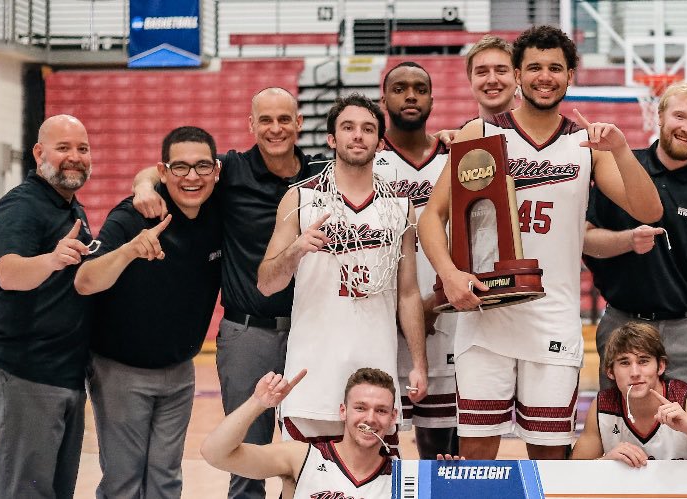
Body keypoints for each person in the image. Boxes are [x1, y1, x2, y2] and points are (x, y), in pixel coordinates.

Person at [418, 25, 663, 460]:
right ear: (516, 74)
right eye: (533, 67)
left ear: (571, 75)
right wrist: (451, 275)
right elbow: (432, 218)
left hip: (553, 318)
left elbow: (649, 212)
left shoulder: (586, 144)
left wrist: (622, 151)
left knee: (550, 458)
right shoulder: (480, 133)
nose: (544, 76)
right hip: (486, 318)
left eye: (555, 68)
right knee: (476, 456)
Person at [131, 87, 324, 499]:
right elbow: (162, 169)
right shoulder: (231, 170)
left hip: (313, 335)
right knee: (245, 457)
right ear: (251, 125)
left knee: (314, 456)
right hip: (248, 335)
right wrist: (144, 186)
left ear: (299, 123)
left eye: (284, 119)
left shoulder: (320, 174)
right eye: (266, 121)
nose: (276, 129)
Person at [257, 93, 428, 442]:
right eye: (348, 127)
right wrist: (296, 249)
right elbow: (266, 283)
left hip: (375, 367)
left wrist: (419, 364)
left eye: (367, 129)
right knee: (301, 484)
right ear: (332, 139)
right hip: (313, 369)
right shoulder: (300, 199)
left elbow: (408, 293)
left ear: (380, 142)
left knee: (376, 485)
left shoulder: (400, 207)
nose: (357, 136)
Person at [74, 126, 224, 499]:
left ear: (216, 171)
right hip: (121, 371)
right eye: (181, 168)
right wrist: (127, 251)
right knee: (123, 482)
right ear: (164, 171)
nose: (192, 177)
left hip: (179, 372)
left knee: (165, 481)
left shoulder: (221, 210)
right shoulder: (133, 215)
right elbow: (85, 281)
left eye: (202, 166)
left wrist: (143, 180)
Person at [583, 81, 687, 409]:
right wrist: (627, 241)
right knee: (619, 429)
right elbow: (585, 240)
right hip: (624, 322)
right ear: (659, 116)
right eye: (680, 116)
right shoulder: (617, 167)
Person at [0, 114, 96, 499]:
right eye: (64, 148)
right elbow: (9, 272)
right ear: (39, 152)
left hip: (65, 375)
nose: (75, 157)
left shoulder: (71, 209)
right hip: (26, 372)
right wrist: (51, 259)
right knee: (25, 492)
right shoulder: (20, 207)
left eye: (82, 148)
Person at [376, 61, 459, 458]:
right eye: (400, 88)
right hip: (383, 321)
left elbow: (474, 239)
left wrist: (436, 301)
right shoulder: (365, 162)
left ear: (432, 98)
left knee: (442, 446)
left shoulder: (457, 156)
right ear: (384, 99)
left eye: (420, 89)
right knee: (383, 444)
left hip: (449, 313)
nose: (411, 95)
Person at [201, 368, 395, 499]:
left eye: (381, 410)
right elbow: (215, 454)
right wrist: (257, 403)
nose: (370, 418)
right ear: (343, 411)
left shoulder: (404, 479)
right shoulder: (302, 457)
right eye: (361, 408)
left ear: (393, 417)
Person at [571, 322, 687, 464]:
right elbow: (571, 475)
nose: (635, 372)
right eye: (624, 363)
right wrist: (605, 462)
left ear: (661, 366)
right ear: (610, 372)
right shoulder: (602, 406)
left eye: (643, 361)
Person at [467, 34, 518, 119]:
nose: (492, 80)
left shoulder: (537, 131)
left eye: (501, 71)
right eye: (482, 72)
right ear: (470, 80)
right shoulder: (463, 132)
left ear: (517, 78)